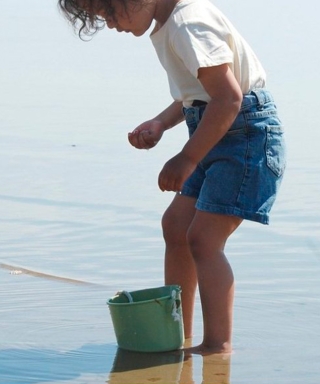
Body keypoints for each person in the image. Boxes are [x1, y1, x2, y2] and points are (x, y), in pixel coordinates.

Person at [58, 0, 286, 354]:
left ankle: (217, 345)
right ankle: (178, 334)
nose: (111, 25)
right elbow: (199, 94)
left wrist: (187, 158)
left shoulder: (187, 24)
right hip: (214, 128)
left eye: (110, 13)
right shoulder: (171, 24)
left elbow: (228, 99)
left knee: (204, 239)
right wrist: (161, 123)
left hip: (245, 138)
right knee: (176, 227)